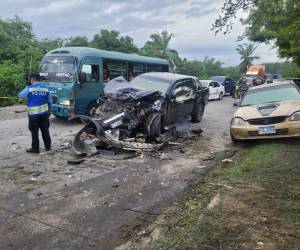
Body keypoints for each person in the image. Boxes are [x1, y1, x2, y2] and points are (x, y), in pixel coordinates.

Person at [18, 73, 52, 154]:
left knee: (34, 132)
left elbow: (20, 96)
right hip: (44, 114)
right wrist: (49, 112)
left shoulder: (30, 88)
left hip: (33, 115)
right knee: (45, 131)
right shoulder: (46, 88)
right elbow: (50, 101)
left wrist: (27, 86)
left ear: (32, 79)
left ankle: (35, 149)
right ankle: (48, 148)